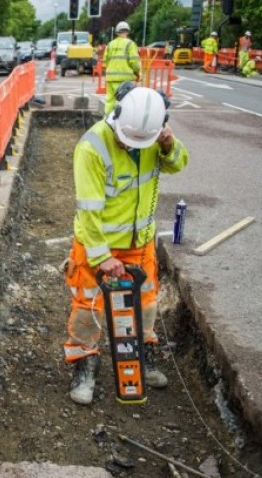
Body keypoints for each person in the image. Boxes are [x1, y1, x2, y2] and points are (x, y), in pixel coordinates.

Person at [63, 86, 189, 405]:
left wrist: (169, 144)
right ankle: (84, 366)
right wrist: (102, 256)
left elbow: (178, 165)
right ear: (116, 117)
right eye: (125, 138)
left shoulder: (153, 138)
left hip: (139, 243)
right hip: (97, 244)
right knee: (87, 307)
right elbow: (88, 210)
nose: (127, 144)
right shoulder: (92, 146)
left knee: (145, 304)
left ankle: (141, 358)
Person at [103, 21, 140, 114]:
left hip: (110, 78)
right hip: (124, 79)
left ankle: (107, 122)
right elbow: (134, 62)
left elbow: (105, 61)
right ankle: (120, 125)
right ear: (127, 31)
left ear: (117, 32)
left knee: (110, 101)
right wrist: (137, 72)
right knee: (124, 102)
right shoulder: (130, 44)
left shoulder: (110, 44)